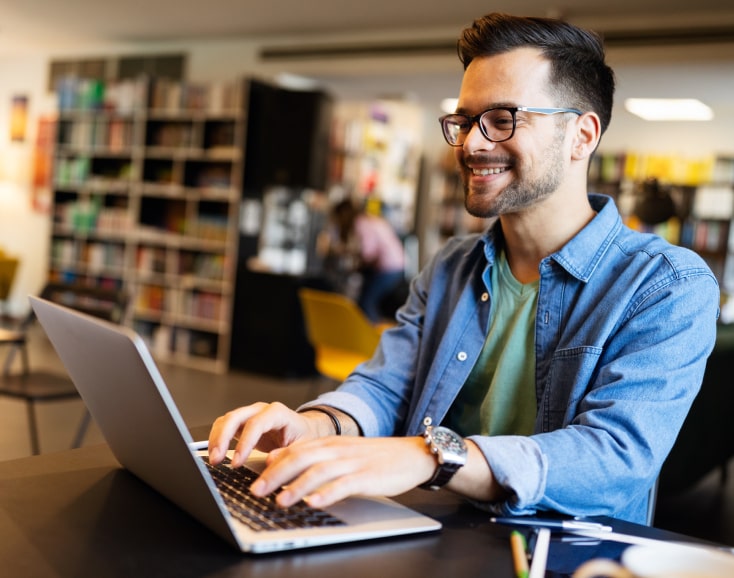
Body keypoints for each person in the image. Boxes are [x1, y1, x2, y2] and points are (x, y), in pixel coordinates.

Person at [209, 13, 720, 525]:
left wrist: (431, 457)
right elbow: (388, 387)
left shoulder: (666, 285)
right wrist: (320, 425)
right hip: (434, 532)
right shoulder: (453, 264)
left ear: (581, 136)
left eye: (502, 119)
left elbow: (614, 458)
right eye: (465, 120)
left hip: (564, 553)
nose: (472, 144)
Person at [323, 198, 406, 322]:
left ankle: (374, 338)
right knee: (365, 296)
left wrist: (352, 259)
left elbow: (368, 253)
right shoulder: (368, 219)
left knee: (366, 302)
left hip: (389, 268)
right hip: (396, 265)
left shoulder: (361, 224)